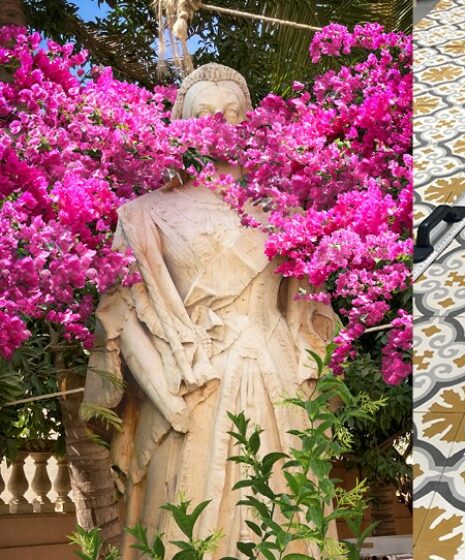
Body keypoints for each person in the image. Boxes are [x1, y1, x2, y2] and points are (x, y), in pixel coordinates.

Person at [83, 63, 340, 558]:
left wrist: (307, 380)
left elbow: (305, 314)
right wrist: (166, 395)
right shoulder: (143, 214)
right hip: (188, 388)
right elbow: (122, 318)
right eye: (204, 113)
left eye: (232, 114)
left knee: (286, 520)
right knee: (187, 522)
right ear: (181, 121)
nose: (219, 124)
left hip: (274, 382)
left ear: (251, 122)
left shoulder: (284, 209)